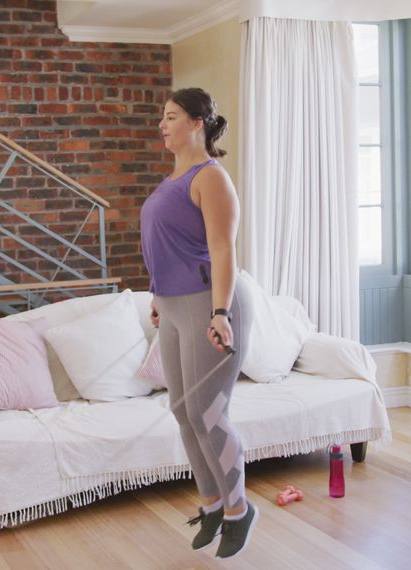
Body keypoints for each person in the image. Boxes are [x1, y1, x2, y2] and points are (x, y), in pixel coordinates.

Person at [140, 87, 257, 559]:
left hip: (209, 304)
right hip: (172, 306)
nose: (162, 125)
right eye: (162, 118)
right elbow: (168, 242)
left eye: (170, 117)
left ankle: (238, 509)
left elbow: (224, 249)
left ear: (197, 123)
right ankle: (211, 505)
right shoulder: (174, 178)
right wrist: (156, 294)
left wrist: (222, 313)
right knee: (183, 411)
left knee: (209, 413)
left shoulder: (211, 177)